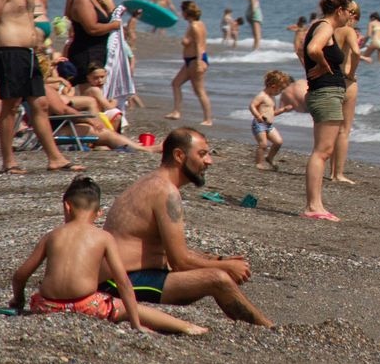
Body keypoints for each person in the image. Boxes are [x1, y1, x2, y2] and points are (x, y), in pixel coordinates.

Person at [101, 129, 273, 326]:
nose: (209, 161)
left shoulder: (154, 183)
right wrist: (225, 267)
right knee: (217, 279)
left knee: (214, 269)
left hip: (127, 276)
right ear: (179, 156)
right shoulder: (165, 191)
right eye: (202, 154)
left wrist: (215, 259)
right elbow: (180, 262)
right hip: (119, 283)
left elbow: (169, 252)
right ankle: (268, 329)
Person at [10, 176, 206, 335]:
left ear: (67, 207)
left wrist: (18, 300)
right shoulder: (103, 237)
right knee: (123, 306)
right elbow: (123, 283)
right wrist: (135, 324)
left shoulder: (52, 236)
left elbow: (20, 275)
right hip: (86, 305)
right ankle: (185, 327)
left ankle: (183, 327)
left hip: (47, 306)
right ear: (99, 213)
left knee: (39, 294)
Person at [0, 0, 80, 175]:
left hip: (28, 52)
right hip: (9, 50)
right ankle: (8, 161)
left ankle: (54, 158)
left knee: (40, 103)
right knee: (11, 105)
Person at [299, 0, 354, 219]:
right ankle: (313, 206)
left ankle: (316, 204)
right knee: (322, 152)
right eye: (350, 12)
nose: (351, 17)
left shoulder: (318, 26)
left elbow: (303, 50)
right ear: (339, 10)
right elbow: (312, 49)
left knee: (323, 150)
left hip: (325, 92)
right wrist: (321, 64)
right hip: (326, 93)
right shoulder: (325, 27)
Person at [329, 2, 366, 185]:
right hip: (347, 81)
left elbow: (302, 50)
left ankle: (330, 171)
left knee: (332, 129)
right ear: (353, 16)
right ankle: (339, 173)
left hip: (330, 80)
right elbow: (357, 53)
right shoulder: (349, 31)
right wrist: (351, 73)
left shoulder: (328, 28)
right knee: (344, 131)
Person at [64, 0, 121, 79]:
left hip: (98, 52)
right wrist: (114, 25)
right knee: (92, 94)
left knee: (98, 93)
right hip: (86, 53)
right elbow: (92, 29)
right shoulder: (81, 0)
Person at [165, 1, 212, 126]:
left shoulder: (194, 26)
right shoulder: (198, 24)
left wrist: (198, 63)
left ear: (186, 12)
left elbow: (198, 45)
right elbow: (195, 41)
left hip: (196, 60)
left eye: (182, 11)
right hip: (191, 61)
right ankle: (176, 112)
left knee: (199, 90)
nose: (181, 13)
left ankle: (208, 119)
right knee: (176, 83)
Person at [250, 69, 292, 170]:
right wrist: (257, 115)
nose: (280, 92)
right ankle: (259, 163)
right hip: (259, 123)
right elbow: (252, 106)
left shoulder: (272, 98)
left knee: (278, 142)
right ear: (273, 86)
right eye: (280, 90)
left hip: (268, 125)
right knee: (263, 144)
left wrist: (283, 110)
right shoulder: (262, 96)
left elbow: (272, 114)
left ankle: (269, 157)